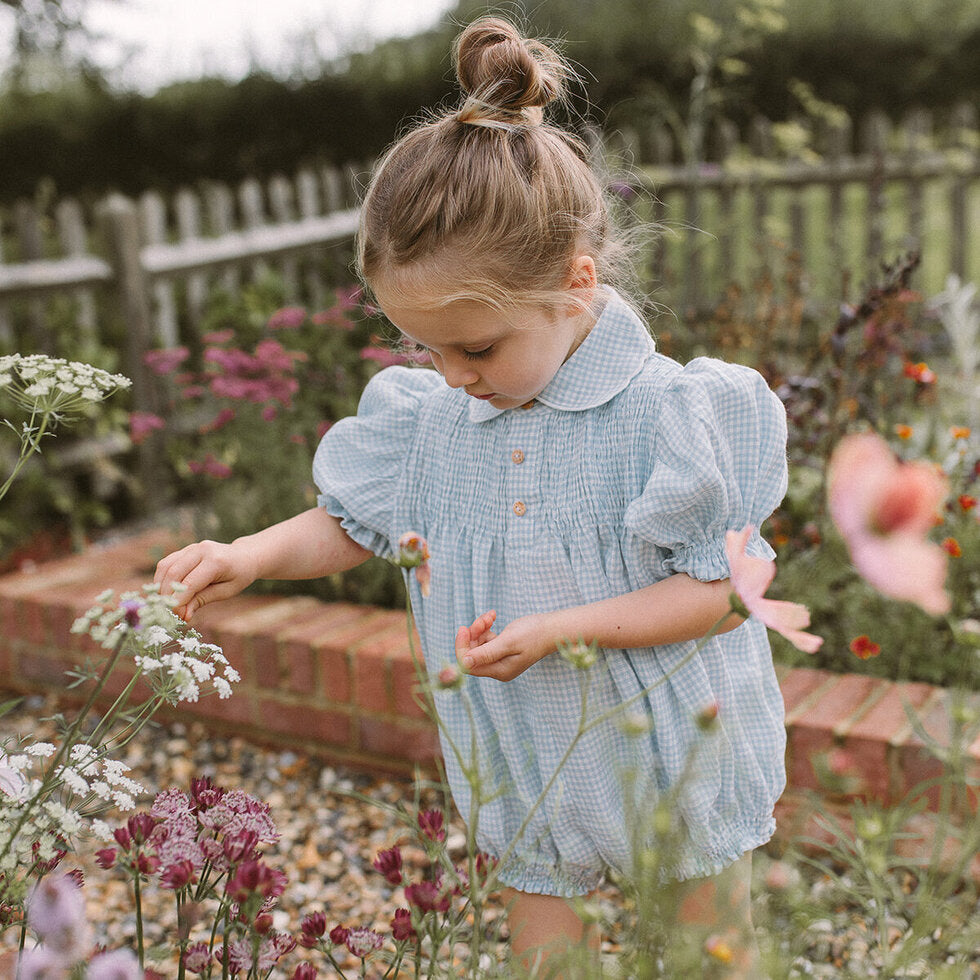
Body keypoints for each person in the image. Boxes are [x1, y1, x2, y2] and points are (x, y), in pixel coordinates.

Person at [154, 17, 787, 977]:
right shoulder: (437, 421)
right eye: (426, 348)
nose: (449, 374)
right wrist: (250, 556)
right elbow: (353, 523)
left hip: (674, 754)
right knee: (542, 954)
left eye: (476, 348)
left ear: (575, 288)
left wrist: (568, 628)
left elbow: (721, 591)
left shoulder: (670, 416)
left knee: (709, 954)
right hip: (529, 753)